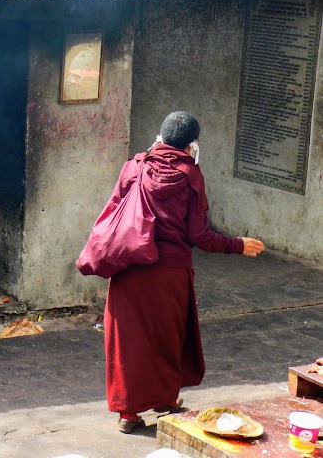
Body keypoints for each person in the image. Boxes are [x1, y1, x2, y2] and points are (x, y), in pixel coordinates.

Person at [102, 111, 265, 433]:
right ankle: (165, 399)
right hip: (170, 273)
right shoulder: (190, 175)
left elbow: (113, 212)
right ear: (192, 145)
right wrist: (237, 244)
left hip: (129, 266)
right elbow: (199, 235)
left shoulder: (134, 167)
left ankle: (128, 413)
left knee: (128, 341)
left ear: (159, 137)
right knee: (167, 339)